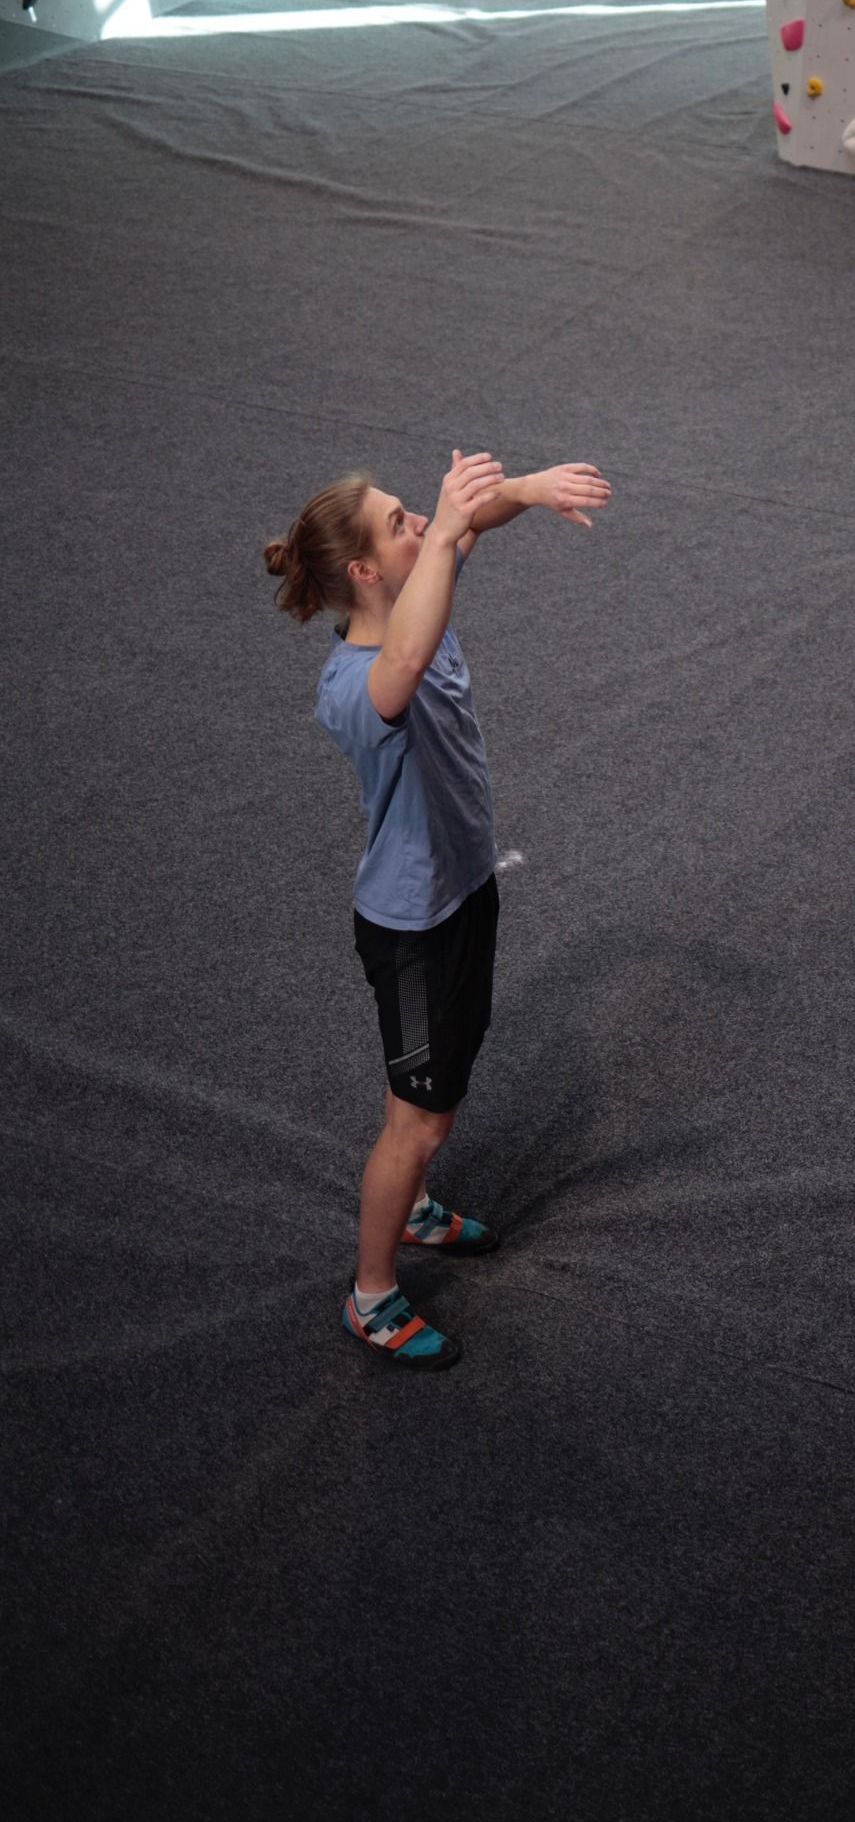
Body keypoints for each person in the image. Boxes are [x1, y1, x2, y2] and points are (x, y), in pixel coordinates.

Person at [263, 446, 612, 1370]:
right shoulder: (354, 684)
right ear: (366, 573)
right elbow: (407, 657)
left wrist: (524, 494)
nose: (420, 522)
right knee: (420, 1121)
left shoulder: (419, 591)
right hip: (411, 930)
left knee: (429, 1089)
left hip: (463, 894)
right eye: (400, 522)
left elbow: (463, 536)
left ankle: (414, 1206)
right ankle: (371, 1294)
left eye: (416, 509)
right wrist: (452, 526)